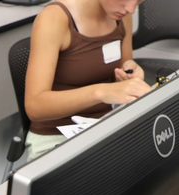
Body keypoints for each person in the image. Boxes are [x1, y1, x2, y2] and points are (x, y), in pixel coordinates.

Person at [24, 0, 152, 161]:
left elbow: (123, 68)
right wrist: (100, 92)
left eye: (139, 0)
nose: (131, 9)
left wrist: (129, 71)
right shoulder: (54, 18)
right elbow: (35, 107)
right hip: (55, 135)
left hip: (103, 127)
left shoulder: (121, 14)